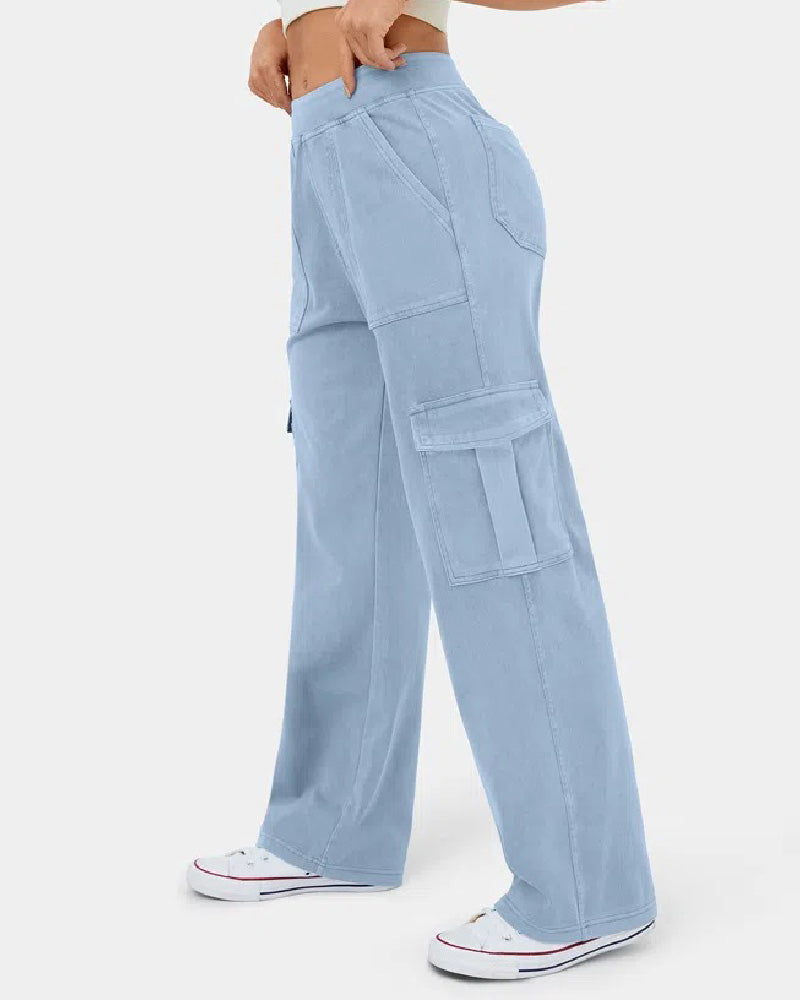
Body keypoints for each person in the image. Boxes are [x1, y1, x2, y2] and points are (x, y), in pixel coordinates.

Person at [188, 0, 656, 981]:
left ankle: (584, 886)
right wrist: (290, 23)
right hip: (325, 158)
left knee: (493, 509)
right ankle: (332, 826)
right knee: (347, 499)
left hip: (414, 145)